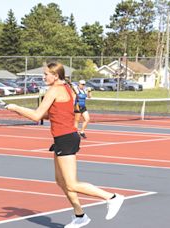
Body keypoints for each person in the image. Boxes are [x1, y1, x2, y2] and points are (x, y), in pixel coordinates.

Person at [6, 62, 124, 228]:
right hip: (63, 138)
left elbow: (36, 116)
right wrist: (22, 110)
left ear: (55, 75)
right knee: (61, 182)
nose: (43, 77)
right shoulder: (66, 88)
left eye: (46, 74)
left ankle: (112, 197)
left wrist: (16, 108)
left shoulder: (54, 90)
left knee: (71, 184)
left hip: (66, 138)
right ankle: (80, 215)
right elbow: (51, 115)